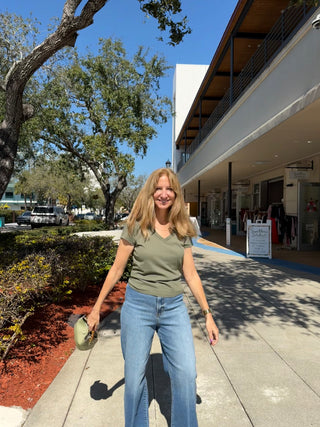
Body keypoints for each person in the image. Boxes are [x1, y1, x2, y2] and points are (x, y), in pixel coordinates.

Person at [87, 167, 219, 427]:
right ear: (151, 192)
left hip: (173, 309)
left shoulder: (182, 229)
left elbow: (191, 275)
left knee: (186, 373)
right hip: (138, 307)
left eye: (169, 189)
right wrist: (95, 308)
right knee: (134, 381)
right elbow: (117, 269)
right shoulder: (136, 227)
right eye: (158, 188)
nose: (163, 193)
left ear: (176, 194)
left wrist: (208, 315)